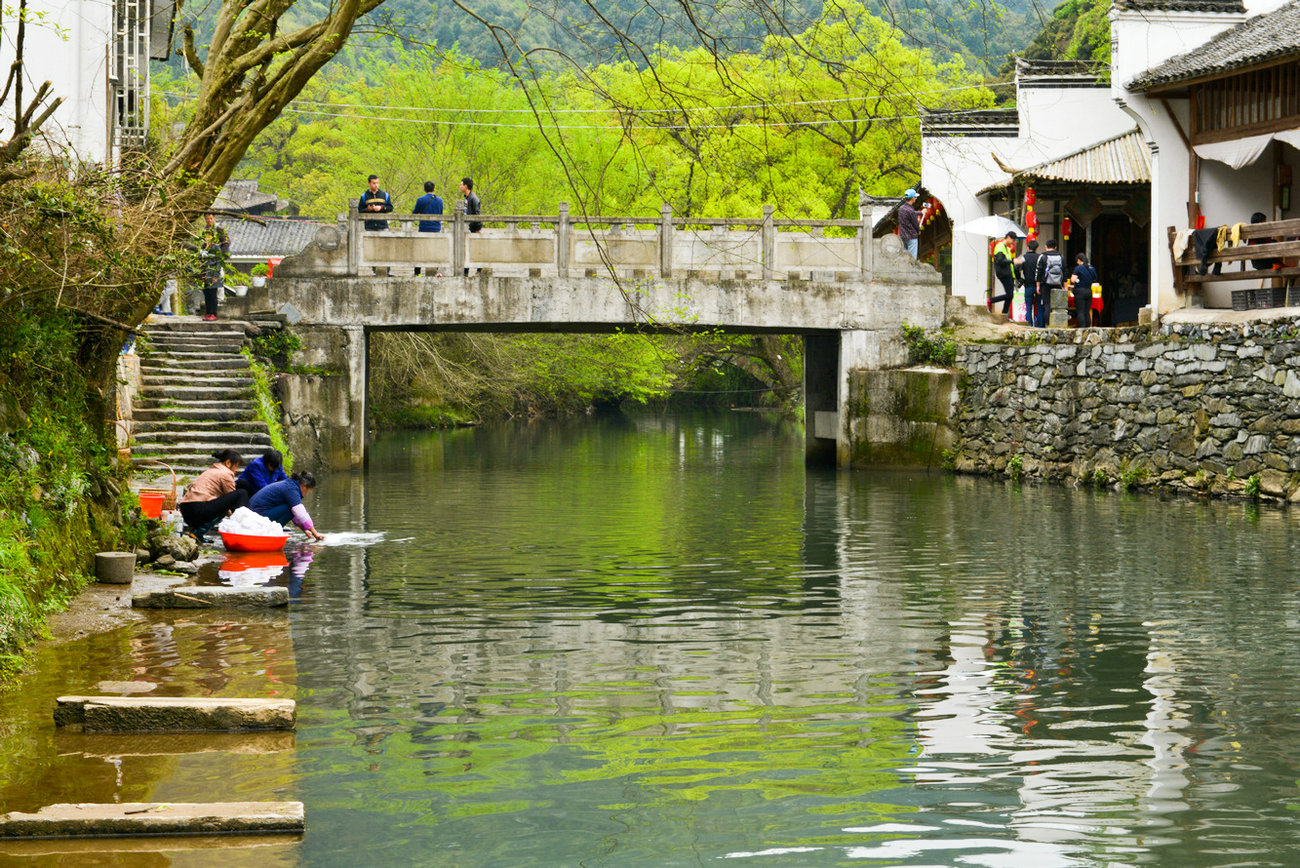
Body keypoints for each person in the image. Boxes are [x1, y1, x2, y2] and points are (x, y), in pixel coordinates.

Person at [179, 449, 248, 541]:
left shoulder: (213, 470)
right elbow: (232, 497)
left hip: (187, 511)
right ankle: (246, 527)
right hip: (197, 509)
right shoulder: (225, 473)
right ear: (228, 463)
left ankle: (198, 532)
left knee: (225, 505)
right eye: (236, 466)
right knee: (241, 493)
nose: (236, 470)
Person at [249, 472, 326, 541]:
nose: (307, 494)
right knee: (291, 509)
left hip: (256, 514)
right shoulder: (291, 489)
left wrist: (305, 530)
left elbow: (296, 514)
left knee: (291, 509)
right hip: (258, 516)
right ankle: (273, 532)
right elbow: (300, 513)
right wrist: (315, 533)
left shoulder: (290, 485)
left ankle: (274, 530)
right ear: (304, 486)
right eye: (309, 491)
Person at [198, 214, 229, 322]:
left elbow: (218, 261)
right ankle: (208, 313)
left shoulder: (216, 246)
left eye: (210, 218)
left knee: (213, 294)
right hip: (205, 273)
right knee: (206, 294)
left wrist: (216, 275)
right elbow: (200, 260)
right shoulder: (202, 247)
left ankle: (213, 314)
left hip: (213, 273)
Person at [413, 181, 444, 276]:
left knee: (420, 251)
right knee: (434, 250)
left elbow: (414, 213)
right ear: (434, 189)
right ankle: (434, 270)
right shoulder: (440, 200)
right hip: (436, 229)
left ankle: (417, 272)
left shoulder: (420, 200)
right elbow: (441, 214)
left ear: (424, 189)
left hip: (423, 228)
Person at [1035, 238, 1066, 327]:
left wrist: (1038, 285)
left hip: (1045, 284)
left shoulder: (1042, 256)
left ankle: (1048, 325)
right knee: (1057, 305)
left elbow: (1038, 271)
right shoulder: (1061, 257)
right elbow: (1065, 271)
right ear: (1056, 247)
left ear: (1045, 247)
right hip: (1057, 283)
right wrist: (1064, 285)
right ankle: (1058, 324)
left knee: (1047, 305)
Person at [989, 231, 1018, 316]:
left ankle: (1004, 314)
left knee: (1010, 296)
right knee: (1009, 294)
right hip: (1004, 273)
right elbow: (1001, 261)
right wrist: (1012, 261)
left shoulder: (1007, 248)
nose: (1013, 242)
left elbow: (1009, 263)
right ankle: (991, 300)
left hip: (1009, 274)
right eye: (1013, 239)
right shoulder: (999, 247)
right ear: (1008, 237)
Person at [1016, 238, 1042, 327]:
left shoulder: (1023, 257)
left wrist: (1020, 279)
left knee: (1028, 307)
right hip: (1039, 286)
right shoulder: (1040, 257)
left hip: (1028, 285)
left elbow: (1016, 268)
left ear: (1027, 247)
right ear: (1036, 248)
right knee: (1039, 306)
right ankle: (1040, 326)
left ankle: (1029, 325)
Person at [1071, 252, 1099, 328]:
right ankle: (1088, 328)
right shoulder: (1091, 268)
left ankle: (1082, 329)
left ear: (1079, 260)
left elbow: (1073, 280)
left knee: (1080, 312)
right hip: (1089, 291)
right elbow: (1095, 278)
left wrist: (1078, 280)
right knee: (1087, 312)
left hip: (1080, 291)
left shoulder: (1078, 268)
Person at [898, 189, 922, 259]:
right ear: (912, 198)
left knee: (905, 258)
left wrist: (921, 212)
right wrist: (919, 230)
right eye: (915, 197)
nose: (916, 199)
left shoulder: (901, 209)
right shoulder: (910, 211)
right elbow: (915, 224)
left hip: (903, 236)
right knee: (912, 259)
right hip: (912, 237)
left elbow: (912, 213)